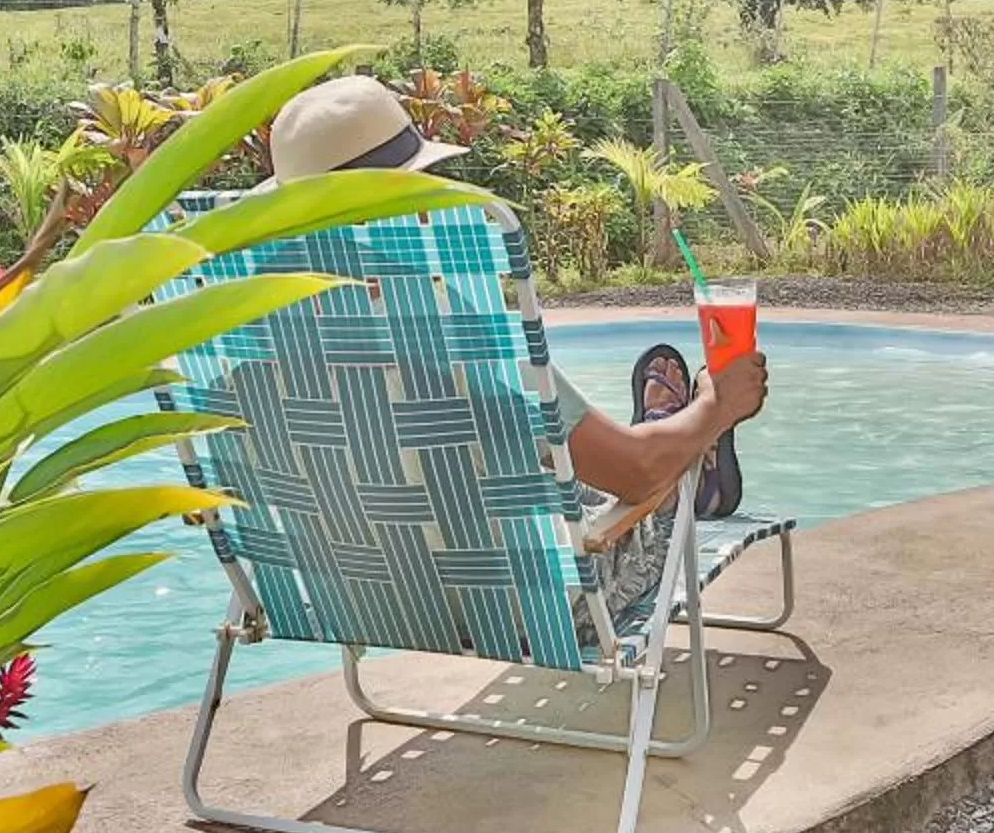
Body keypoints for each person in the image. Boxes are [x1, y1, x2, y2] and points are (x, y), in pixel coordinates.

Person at [267, 74, 768, 609]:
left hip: (356, 602)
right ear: (406, 201)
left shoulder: (249, 334)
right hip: (520, 608)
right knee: (658, 484)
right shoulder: (454, 329)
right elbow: (636, 473)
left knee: (559, 472)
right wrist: (719, 404)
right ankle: (691, 448)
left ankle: (666, 434)